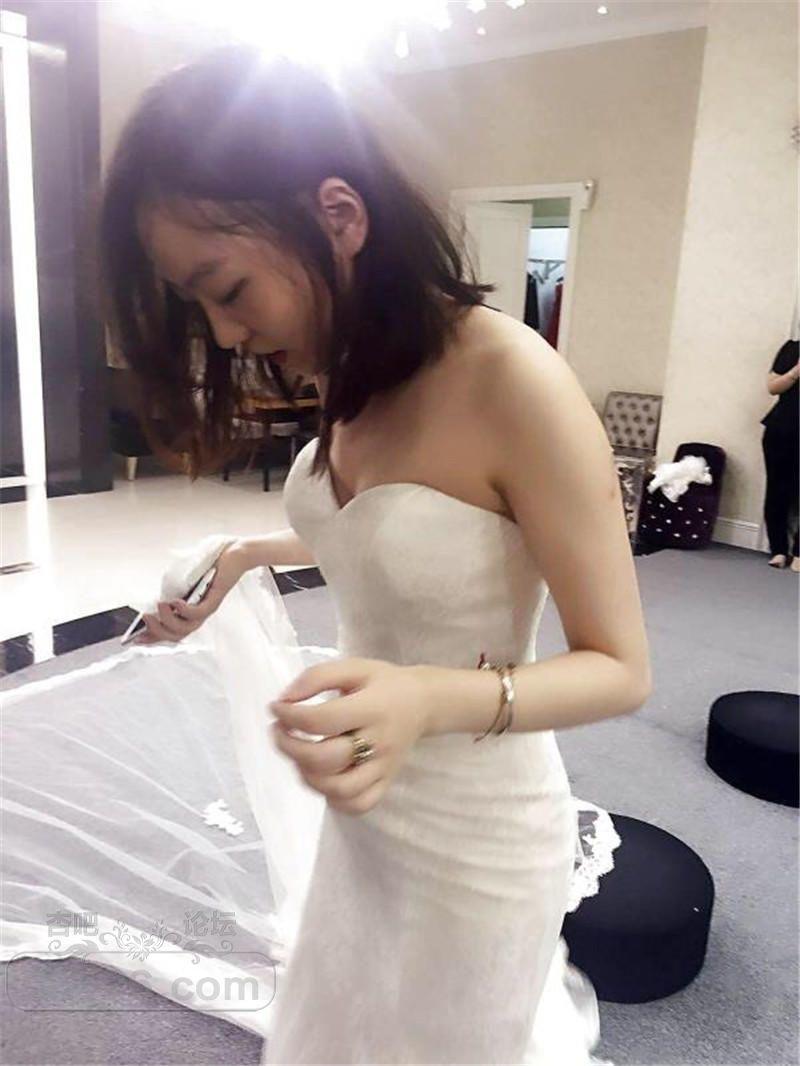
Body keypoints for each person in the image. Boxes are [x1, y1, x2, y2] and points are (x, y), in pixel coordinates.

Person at [98, 45, 651, 1064]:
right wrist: (241, 556)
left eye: (228, 288)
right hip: (363, 811)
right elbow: (391, 532)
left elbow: (620, 667)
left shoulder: (513, 381)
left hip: (477, 843)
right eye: (197, 305)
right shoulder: (350, 371)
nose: (225, 334)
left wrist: (423, 698)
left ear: (338, 216)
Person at [761, 337, 800, 571]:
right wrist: (796, 371)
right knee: (777, 490)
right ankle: (778, 549)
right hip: (781, 430)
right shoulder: (792, 348)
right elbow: (772, 387)